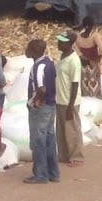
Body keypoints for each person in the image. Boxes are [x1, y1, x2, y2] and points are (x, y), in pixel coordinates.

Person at [24, 38, 59, 184]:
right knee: (50, 139)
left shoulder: (38, 67)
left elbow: (41, 89)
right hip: (51, 105)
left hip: (41, 108)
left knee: (38, 141)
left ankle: (41, 174)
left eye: (28, 48)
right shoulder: (49, 62)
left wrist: (35, 101)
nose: (26, 51)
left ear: (33, 51)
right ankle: (53, 173)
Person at [55, 32, 83, 167]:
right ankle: (64, 155)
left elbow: (75, 83)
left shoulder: (74, 60)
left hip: (69, 101)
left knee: (72, 130)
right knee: (61, 130)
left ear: (70, 43)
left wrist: (71, 106)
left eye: (62, 42)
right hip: (60, 99)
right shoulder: (63, 57)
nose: (59, 44)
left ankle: (76, 157)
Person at [74, 16, 102, 99]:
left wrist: (82, 57)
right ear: (93, 25)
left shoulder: (78, 36)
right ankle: (95, 99)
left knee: (84, 82)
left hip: (83, 62)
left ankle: (85, 99)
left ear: (83, 25)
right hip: (93, 62)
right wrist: (98, 59)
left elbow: (76, 48)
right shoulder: (94, 35)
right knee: (94, 82)